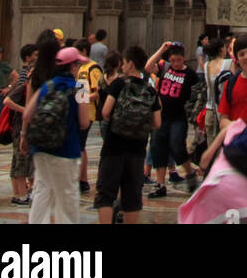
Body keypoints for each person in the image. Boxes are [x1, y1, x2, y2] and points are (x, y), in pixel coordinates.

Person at [21, 45, 91, 225]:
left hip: (41, 148)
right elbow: (84, 122)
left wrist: (24, 135)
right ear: (73, 66)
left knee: (42, 190)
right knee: (67, 195)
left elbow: (27, 114)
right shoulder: (80, 88)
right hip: (66, 150)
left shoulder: (46, 86)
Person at [95, 44, 162, 225]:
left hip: (113, 147)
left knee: (106, 195)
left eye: (124, 63)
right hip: (137, 150)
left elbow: (106, 112)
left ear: (130, 64)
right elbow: (157, 123)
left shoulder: (118, 84)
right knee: (132, 198)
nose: (122, 67)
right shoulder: (150, 90)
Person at [144, 40, 199, 197]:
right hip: (161, 116)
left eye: (178, 61)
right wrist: (162, 49)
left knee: (177, 146)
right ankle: (160, 184)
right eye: (172, 60)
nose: (175, 64)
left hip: (178, 117)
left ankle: (190, 173)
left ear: (184, 59)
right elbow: (148, 67)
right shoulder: (164, 67)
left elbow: (195, 96)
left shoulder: (190, 74)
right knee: (158, 147)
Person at [5, 43, 37, 205]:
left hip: (23, 127)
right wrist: (26, 110)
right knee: (21, 160)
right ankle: (22, 194)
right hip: (20, 127)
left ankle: (20, 193)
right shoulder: (24, 85)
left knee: (19, 159)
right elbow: (7, 101)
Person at [74, 37, 102, 194]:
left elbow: (97, 92)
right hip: (81, 108)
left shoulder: (93, 68)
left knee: (79, 144)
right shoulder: (80, 68)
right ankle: (81, 179)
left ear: (84, 51)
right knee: (80, 145)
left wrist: (82, 100)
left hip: (89, 111)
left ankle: (82, 179)